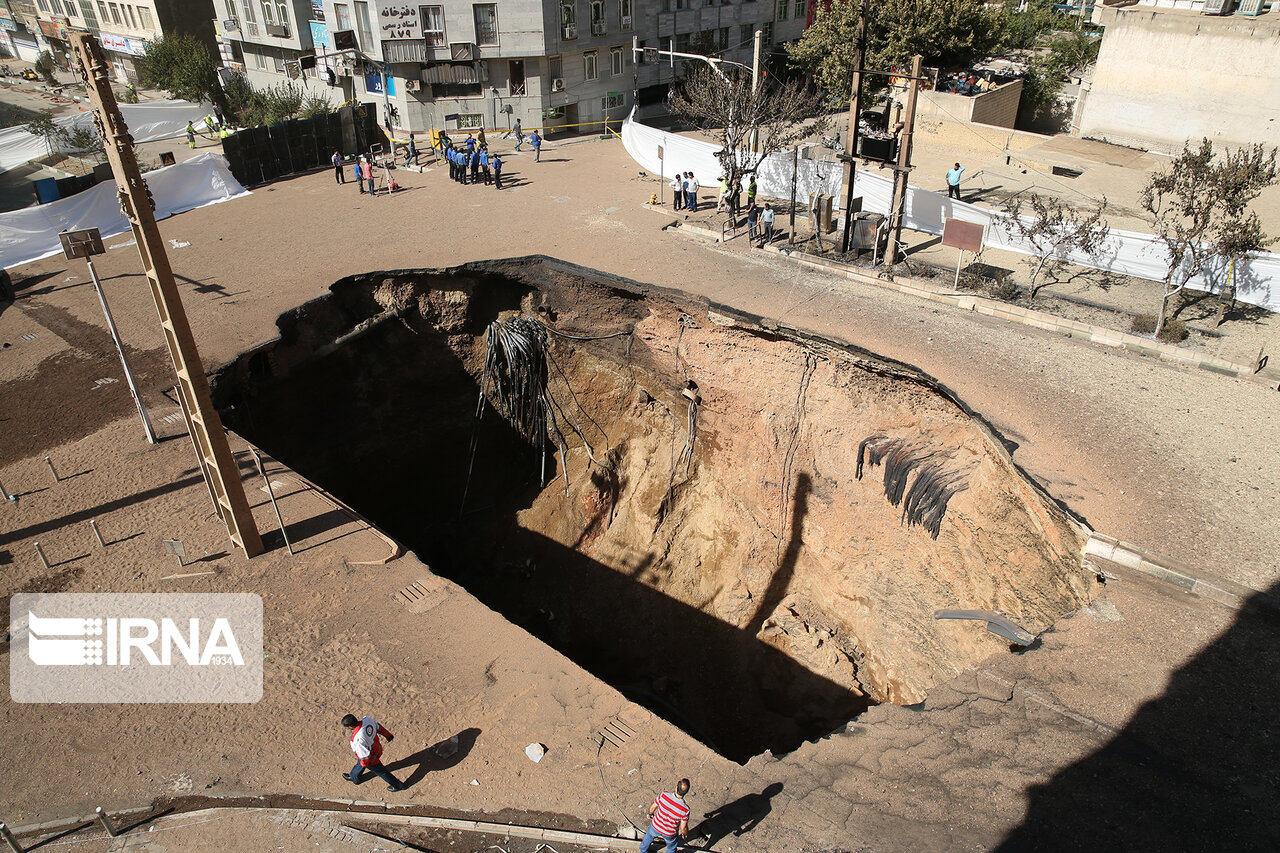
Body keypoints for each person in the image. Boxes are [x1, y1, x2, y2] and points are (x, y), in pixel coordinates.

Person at [340, 713, 405, 792]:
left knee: (381, 771)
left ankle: (398, 785)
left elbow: (364, 757)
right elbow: (379, 727)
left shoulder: (357, 739)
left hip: (370, 757)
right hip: (377, 748)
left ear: (350, 727)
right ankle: (354, 777)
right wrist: (387, 735)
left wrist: (364, 763)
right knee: (360, 763)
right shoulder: (367, 720)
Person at [640, 779, 690, 853]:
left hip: (656, 826)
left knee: (648, 837)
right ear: (686, 792)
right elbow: (683, 827)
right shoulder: (685, 810)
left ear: (676, 788)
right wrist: (685, 834)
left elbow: (653, 807)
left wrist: (650, 814)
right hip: (670, 833)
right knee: (672, 847)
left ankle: (643, 850)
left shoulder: (664, 795)